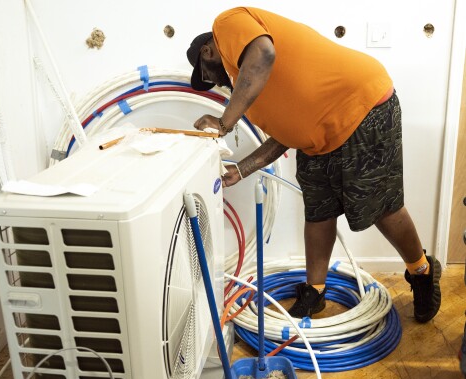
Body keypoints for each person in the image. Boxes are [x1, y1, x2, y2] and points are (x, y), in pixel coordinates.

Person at [187, 6, 441, 322]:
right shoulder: (250, 89)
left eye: (208, 75)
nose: (215, 83)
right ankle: (315, 290)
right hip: (317, 140)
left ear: (208, 51)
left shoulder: (227, 24)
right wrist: (242, 169)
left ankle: (421, 270)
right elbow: (285, 134)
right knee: (318, 212)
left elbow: (264, 54)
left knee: (381, 207)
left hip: (360, 107)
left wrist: (224, 122)